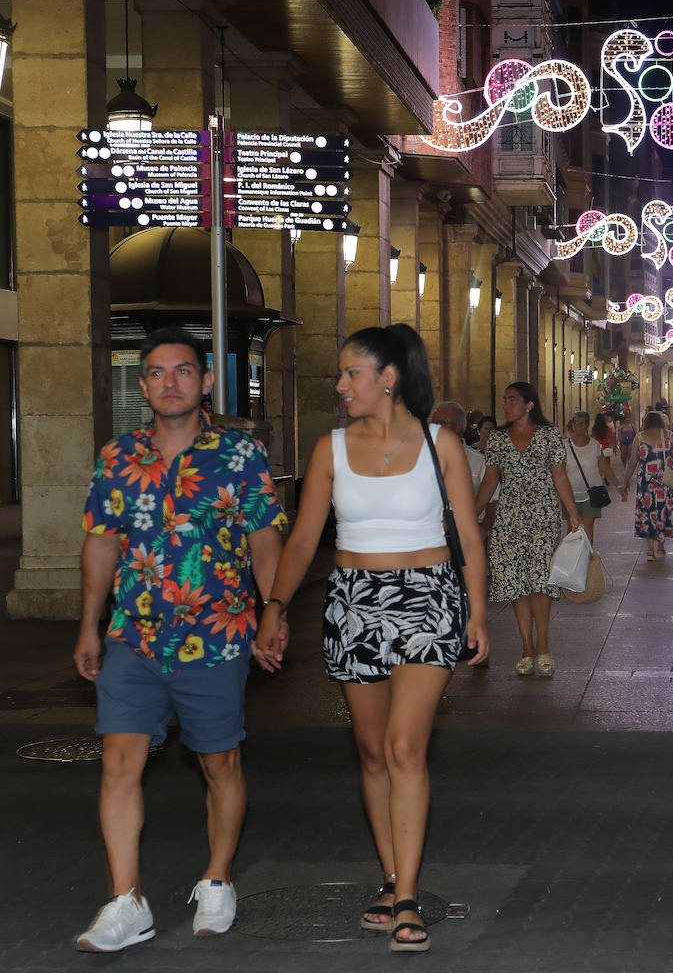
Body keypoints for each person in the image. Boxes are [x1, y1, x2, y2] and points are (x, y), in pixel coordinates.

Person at [253, 324, 489, 954]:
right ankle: (390, 878)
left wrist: (479, 613)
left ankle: (407, 896)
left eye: (350, 373)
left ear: (387, 377)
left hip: (428, 597)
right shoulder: (329, 448)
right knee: (373, 751)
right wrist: (274, 605)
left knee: (406, 745)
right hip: (354, 601)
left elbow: (467, 534)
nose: (340, 385)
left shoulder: (442, 443)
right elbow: (304, 539)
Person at [72, 327, 286, 952]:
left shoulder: (238, 456)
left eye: (184, 371)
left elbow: (265, 536)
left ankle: (218, 878)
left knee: (220, 762)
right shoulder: (117, 458)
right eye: (158, 373)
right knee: (119, 764)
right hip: (132, 637)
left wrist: (272, 611)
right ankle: (125, 901)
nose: (171, 382)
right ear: (143, 386)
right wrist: (88, 624)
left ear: (206, 380)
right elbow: (101, 542)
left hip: (215, 637)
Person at [475, 382, 581, 677]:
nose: (506, 405)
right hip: (509, 518)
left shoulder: (549, 436)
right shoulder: (497, 439)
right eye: (505, 400)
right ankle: (526, 646)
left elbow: (560, 477)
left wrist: (573, 514)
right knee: (516, 584)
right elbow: (489, 481)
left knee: (540, 583)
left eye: (512, 400)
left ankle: (543, 643)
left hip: (543, 517)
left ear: (529, 404)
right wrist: (472, 514)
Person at [632, 411, 673, 560]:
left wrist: (625, 481)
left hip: (645, 483)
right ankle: (661, 546)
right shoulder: (670, 436)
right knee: (663, 511)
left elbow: (633, 461)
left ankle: (650, 550)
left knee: (647, 512)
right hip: (665, 483)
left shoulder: (639, 438)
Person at [564, 411, 616, 541]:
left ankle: (587, 558)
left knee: (588, 529)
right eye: (576, 423)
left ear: (587, 425)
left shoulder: (594, 445)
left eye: (582, 423)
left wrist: (619, 485)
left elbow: (605, 467)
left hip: (591, 494)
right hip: (570, 494)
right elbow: (559, 471)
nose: (579, 426)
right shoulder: (564, 446)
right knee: (572, 529)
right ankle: (573, 559)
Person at [432, 400, 485, 494]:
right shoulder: (425, 459)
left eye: (441, 423)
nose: (435, 429)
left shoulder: (479, 462)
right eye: (433, 424)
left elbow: (493, 500)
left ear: (457, 427)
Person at [617, 417, 637, 495]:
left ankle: (628, 468)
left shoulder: (632, 426)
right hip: (624, 441)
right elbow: (619, 434)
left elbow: (636, 434)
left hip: (631, 440)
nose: (627, 420)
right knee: (623, 456)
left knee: (629, 454)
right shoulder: (621, 427)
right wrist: (619, 441)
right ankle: (625, 465)